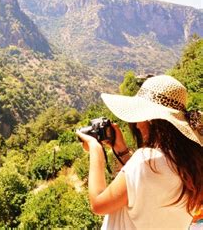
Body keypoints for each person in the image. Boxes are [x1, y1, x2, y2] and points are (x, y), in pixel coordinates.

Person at [76, 75, 202, 229]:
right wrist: (121, 150)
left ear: (151, 120)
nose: (136, 125)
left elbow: (98, 204)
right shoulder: (189, 166)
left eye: (139, 117)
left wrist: (96, 150)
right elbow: (145, 185)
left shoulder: (146, 161)